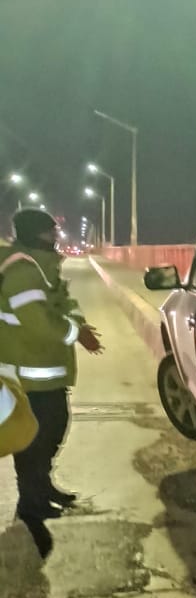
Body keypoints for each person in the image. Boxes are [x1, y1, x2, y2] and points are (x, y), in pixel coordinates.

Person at [0, 208, 103, 555]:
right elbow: (39, 322)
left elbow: (63, 302)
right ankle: (31, 503)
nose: (56, 236)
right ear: (37, 234)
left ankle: (41, 489)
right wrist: (77, 333)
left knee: (52, 429)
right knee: (35, 437)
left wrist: (75, 321)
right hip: (27, 374)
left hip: (44, 370)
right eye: (51, 231)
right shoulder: (21, 270)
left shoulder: (42, 267)